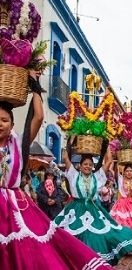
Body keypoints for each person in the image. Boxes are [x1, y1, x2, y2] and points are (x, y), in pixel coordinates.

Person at [0, 72, 112, 269]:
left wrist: (34, 87)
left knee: (25, 248)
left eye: (4, 120)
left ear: (12, 125)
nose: (0, 124)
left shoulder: (19, 143)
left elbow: (39, 116)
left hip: (13, 204)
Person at [55, 150, 132, 265]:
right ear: (80, 166)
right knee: (68, 233)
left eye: (90, 165)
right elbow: (66, 158)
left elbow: (109, 161)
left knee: (109, 231)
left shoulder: (97, 176)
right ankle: (76, 259)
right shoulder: (73, 174)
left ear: (93, 167)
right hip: (75, 208)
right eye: (85, 164)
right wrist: (71, 138)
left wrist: (106, 146)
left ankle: (92, 259)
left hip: (93, 209)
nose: (88, 167)